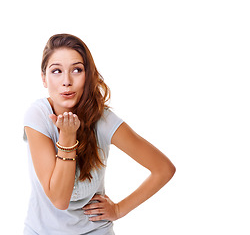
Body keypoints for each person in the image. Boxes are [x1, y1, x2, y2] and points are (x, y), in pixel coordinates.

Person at [23, 33, 176, 235]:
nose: (66, 81)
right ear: (44, 79)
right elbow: (59, 199)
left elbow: (163, 169)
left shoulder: (103, 120)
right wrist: (67, 137)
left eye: (77, 70)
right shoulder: (38, 115)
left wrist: (119, 209)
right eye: (56, 71)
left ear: (88, 76)